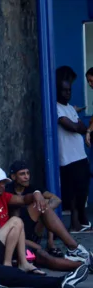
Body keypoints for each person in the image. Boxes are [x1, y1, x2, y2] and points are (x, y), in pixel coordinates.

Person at [0, 167, 93, 270]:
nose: (2, 186)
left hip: (18, 232)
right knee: (43, 255)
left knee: (41, 206)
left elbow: (23, 199)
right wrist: (26, 242)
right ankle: (86, 265)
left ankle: (74, 248)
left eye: (3, 183)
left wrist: (36, 194)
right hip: (5, 242)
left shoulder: (2, 194)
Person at [56, 79, 91, 232]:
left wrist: (77, 126)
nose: (68, 93)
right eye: (64, 90)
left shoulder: (69, 107)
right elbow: (69, 125)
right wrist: (77, 126)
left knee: (83, 190)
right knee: (73, 193)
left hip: (80, 155)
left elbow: (81, 127)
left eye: (69, 90)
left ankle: (82, 221)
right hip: (68, 157)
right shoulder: (56, 108)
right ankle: (75, 224)